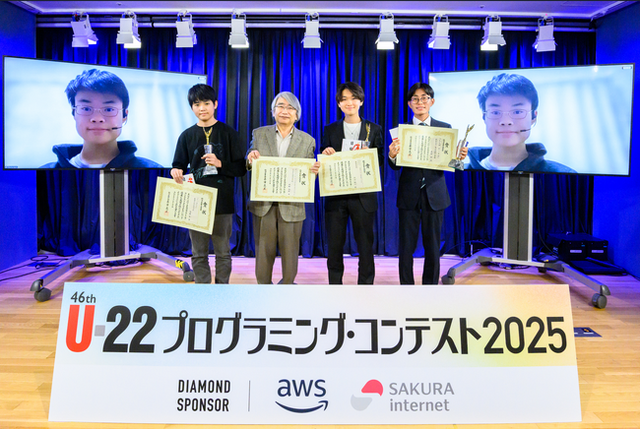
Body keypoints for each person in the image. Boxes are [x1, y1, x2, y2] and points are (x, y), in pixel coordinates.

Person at [388, 83, 468, 285]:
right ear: (409, 104)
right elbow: (394, 166)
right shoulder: (402, 131)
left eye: (424, 98)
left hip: (435, 193)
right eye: (415, 99)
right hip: (409, 193)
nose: (420, 102)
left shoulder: (445, 129)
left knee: (433, 246)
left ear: (432, 101)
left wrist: (460, 158)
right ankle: (406, 287)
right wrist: (392, 155)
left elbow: (453, 165)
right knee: (406, 246)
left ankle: (430, 287)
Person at [171, 84, 246, 284]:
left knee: (223, 252)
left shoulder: (229, 133)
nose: (202, 108)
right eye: (197, 104)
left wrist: (221, 164)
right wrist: (175, 171)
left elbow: (241, 168)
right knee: (198, 252)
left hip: (222, 202)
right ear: (192, 107)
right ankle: (203, 289)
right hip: (195, 201)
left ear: (215, 104)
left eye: (206, 103)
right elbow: (177, 164)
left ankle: (221, 289)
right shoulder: (186, 135)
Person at [246, 91, 319, 285]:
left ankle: (287, 286)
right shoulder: (259, 134)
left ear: (297, 114)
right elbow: (250, 157)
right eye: (280, 106)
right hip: (264, 203)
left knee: (290, 251)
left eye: (290, 108)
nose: (285, 111)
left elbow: (307, 173)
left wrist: (313, 171)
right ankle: (264, 288)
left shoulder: (308, 140)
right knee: (263, 250)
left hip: (292, 204)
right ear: (273, 111)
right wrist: (250, 158)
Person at [319, 82, 384, 284]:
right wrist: (326, 152)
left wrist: (369, 155)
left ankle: (365, 285)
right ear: (339, 103)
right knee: (334, 246)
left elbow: (380, 160)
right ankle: (335, 285)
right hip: (336, 196)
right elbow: (323, 156)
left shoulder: (374, 129)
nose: (350, 102)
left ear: (361, 101)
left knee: (365, 245)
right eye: (344, 99)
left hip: (364, 197)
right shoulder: (330, 129)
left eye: (354, 98)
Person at [42, 69, 162, 168]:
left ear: (124, 116)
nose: (97, 118)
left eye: (109, 109)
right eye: (86, 108)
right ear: (74, 114)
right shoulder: (46, 173)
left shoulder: (155, 172)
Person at [469, 73, 576, 173]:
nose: (506, 122)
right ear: (484, 117)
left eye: (517, 112)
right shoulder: (461, 172)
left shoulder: (564, 175)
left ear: (533, 117)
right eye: (496, 112)